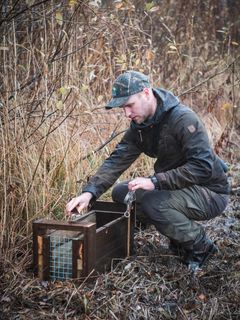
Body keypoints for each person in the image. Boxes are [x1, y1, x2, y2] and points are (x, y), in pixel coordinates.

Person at [66, 70, 230, 272]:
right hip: (177, 187)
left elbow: (202, 167)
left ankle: (200, 245)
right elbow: (117, 159)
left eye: (129, 105)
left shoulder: (183, 119)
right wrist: (89, 192)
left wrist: (155, 181)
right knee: (122, 193)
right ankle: (170, 229)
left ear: (146, 93)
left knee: (154, 202)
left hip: (210, 192)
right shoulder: (141, 125)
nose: (127, 113)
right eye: (123, 108)